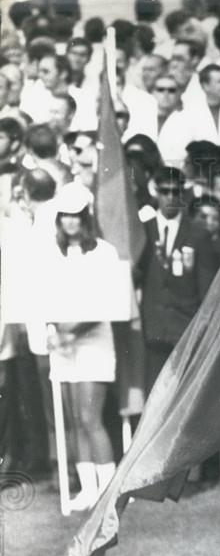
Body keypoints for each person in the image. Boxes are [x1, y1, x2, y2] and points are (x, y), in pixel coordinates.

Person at [46, 183, 119, 510]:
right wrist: (52, 329)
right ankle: (89, 491)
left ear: (86, 217)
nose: (70, 222)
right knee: (75, 419)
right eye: (65, 215)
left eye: (76, 215)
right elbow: (46, 297)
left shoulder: (103, 251)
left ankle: (109, 492)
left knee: (91, 418)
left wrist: (70, 330)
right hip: (63, 345)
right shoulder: (54, 252)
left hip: (94, 343)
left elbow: (104, 304)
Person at [136, 165, 219, 392]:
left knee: (183, 393)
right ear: (156, 192)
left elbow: (206, 289)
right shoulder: (144, 231)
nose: (171, 197)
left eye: (176, 192)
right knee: (155, 395)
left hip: (184, 327)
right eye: (165, 191)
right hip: (153, 328)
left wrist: (203, 329)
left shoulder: (198, 234)